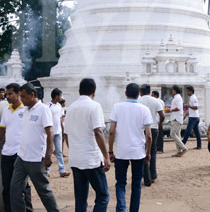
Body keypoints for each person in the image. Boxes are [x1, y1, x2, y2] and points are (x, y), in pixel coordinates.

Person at [10, 83, 60, 212]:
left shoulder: (43, 109)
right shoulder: (25, 110)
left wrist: (48, 156)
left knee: (44, 191)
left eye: (24, 97)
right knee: (15, 189)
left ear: (32, 95)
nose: (21, 99)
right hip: (21, 157)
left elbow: (50, 133)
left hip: (36, 159)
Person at [65, 78, 110, 212]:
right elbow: (98, 132)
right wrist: (106, 156)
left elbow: (66, 134)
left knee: (80, 198)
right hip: (91, 159)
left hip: (76, 159)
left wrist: (73, 150)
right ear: (94, 92)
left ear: (79, 91)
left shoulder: (71, 107)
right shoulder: (94, 106)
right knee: (103, 195)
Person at [108, 83, 152, 212]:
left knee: (120, 183)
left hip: (121, 151)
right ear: (139, 94)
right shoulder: (144, 109)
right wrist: (147, 152)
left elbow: (111, 131)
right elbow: (148, 135)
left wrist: (110, 151)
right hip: (138, 151)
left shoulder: (117, 107)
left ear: (125, 93)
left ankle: (121, 208)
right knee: (136, 184)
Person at [0, 83, 34, 212]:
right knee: (7, 187)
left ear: (18, 94)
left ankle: (28, 210)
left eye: (10, 94)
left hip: (21, 153)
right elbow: (2, 130)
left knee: (23, 186)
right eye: (6, 93)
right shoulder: (6, 110)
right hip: (7, 153)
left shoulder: (26, 110)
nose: (7, 96)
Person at [139, 84, 164, 186]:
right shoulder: (155, 101)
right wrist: (159, 123)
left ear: (140, 91)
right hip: (153, 128)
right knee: (152, 152)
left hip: (141, 129)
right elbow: (162, 115)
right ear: (149, 91)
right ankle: (153, 175)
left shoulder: (139, 100)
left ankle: (146, 176)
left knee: (142, 152)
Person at [48, 88, 69, 177]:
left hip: (58, 132)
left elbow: (60, 119)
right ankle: (47, 170)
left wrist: (63, 130)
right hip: (50, 132)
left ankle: (62, 170)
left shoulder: (59, 106)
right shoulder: (48, 106)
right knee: (49, 151)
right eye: (60, 95)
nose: (61, 97)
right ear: (56, 96)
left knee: (59, 152)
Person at [170, 85, 188, 157]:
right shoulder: (177, 97)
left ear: (175, 90)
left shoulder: (177, 98)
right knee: (177, 135)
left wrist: (170, 110)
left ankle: (183, 148)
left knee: (172, 134)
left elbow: (179, 108)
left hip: (176, 118)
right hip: (176, 117)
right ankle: (179, 151)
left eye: (173, 90)